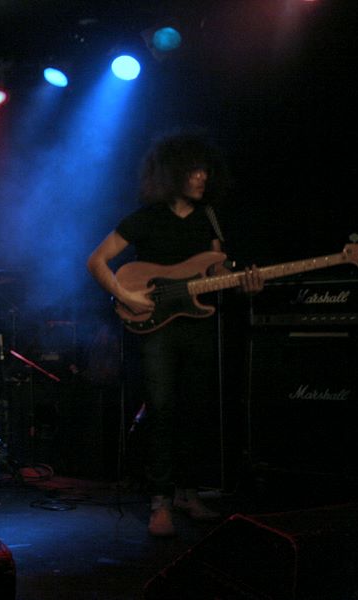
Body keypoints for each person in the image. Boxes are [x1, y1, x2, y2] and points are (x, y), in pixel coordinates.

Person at [86, 132, 262, 537]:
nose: (202, 176)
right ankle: (160, 500)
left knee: (196, 409)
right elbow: (96, 260)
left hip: (199, 324)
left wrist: (243, 282)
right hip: (158, 330)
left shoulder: (209, 217)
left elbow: (217, 269)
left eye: (205, 170)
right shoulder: (145, 218)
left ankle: (187, 492)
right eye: (194, 169)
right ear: (173, 172)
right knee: (162, 409)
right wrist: (125, 294)